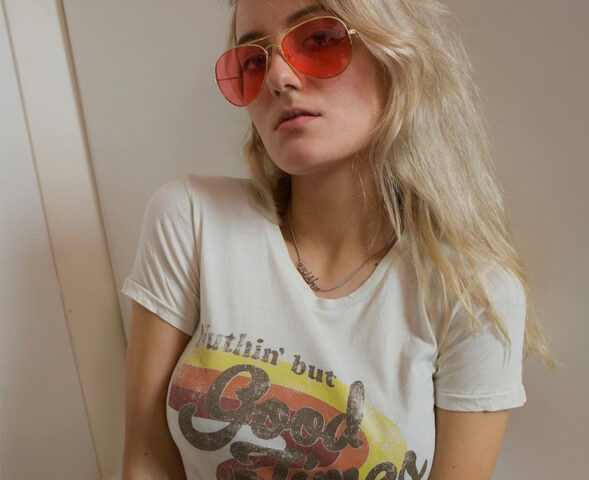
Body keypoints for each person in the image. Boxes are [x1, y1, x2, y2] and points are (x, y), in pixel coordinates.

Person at [121, 0, 554, 478]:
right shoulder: (192, 220)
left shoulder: (472, 293)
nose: (277, 78)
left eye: (319, 39)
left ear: (394, 56)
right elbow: (146, 460)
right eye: (253, 61)